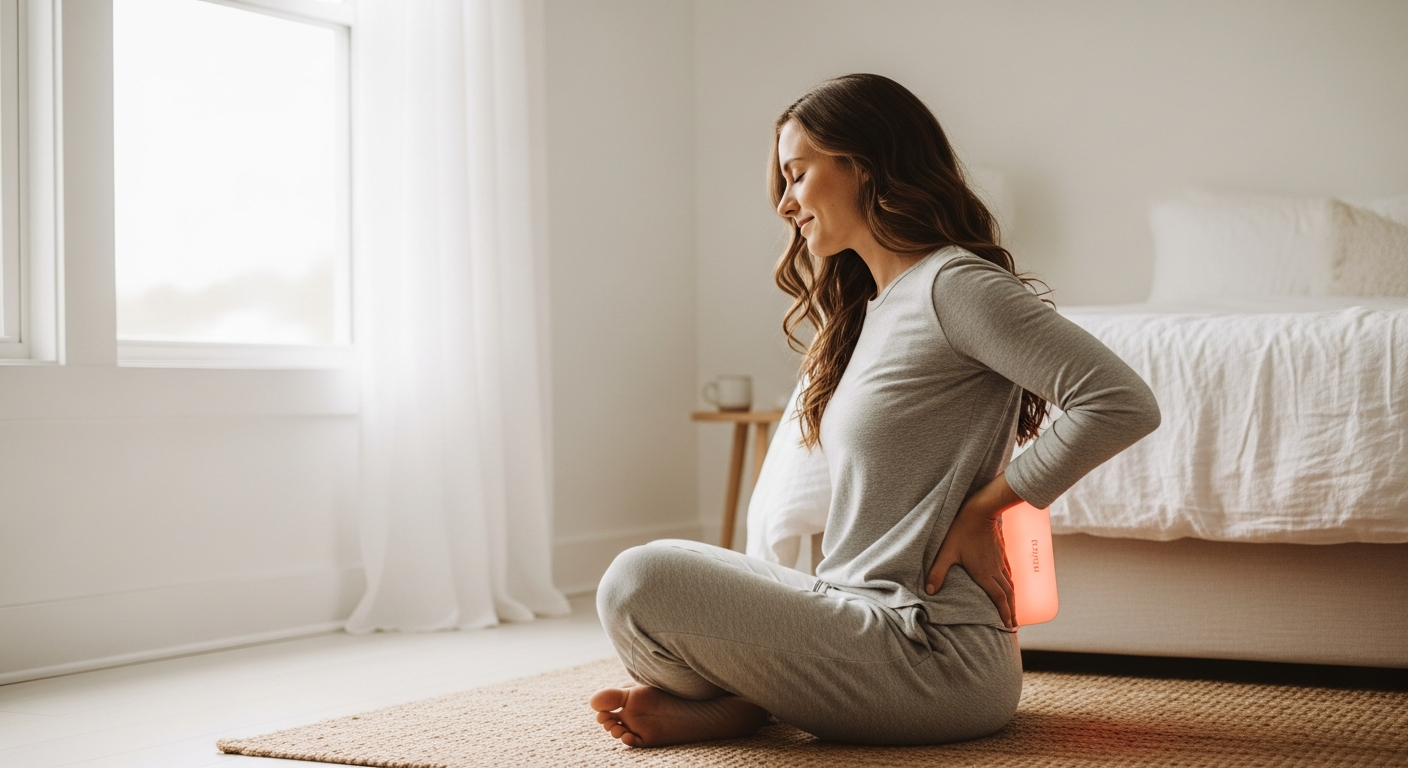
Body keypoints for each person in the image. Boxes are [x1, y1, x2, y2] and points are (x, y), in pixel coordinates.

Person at [588, 73, 1161, 748]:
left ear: (860, 166)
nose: (786, 204)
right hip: (851, 614)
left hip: (931, 652)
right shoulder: (868, 314)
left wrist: (987, 507)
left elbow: (1120, 400)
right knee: (654, 567)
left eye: (797, 174)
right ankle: (755, 701)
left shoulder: (956, 284)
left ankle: (753, 699)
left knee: (639, 581)